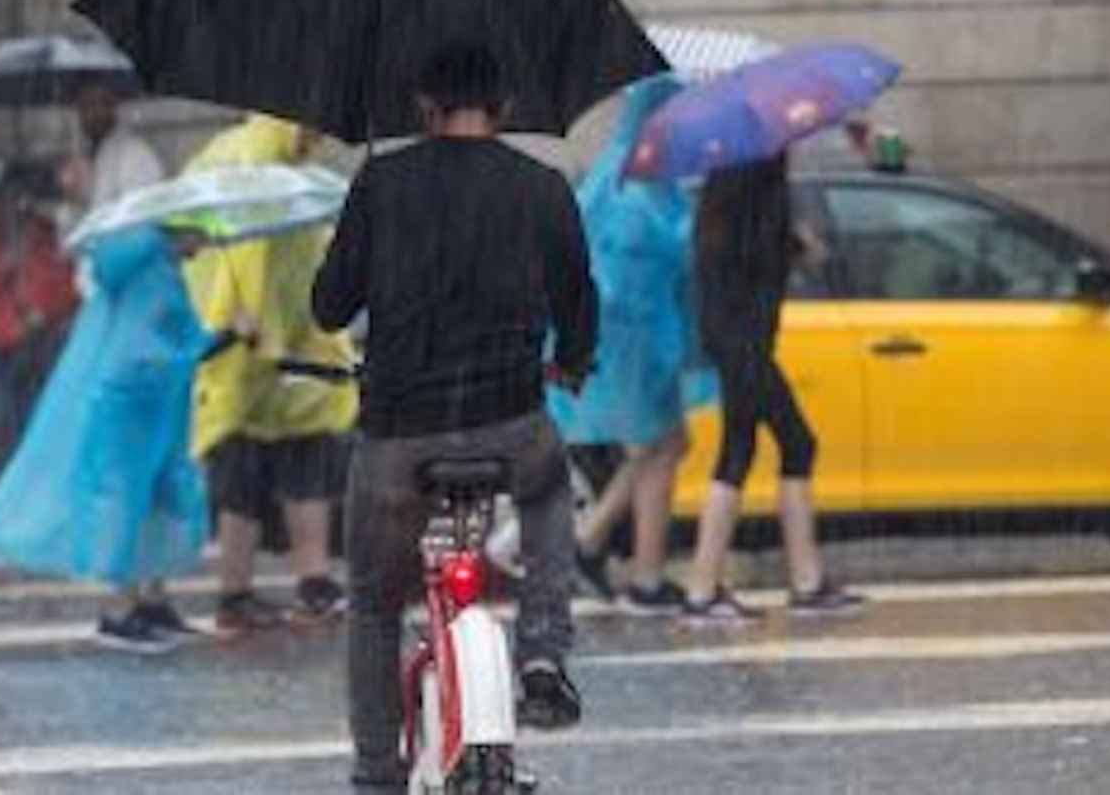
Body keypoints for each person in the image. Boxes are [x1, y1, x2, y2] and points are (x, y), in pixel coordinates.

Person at [311, 43, 596, 789]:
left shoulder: (382, 181)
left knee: (374, 601)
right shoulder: (541, 187)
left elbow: (328, 306)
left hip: (399, 431)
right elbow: (579, 301)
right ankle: (541, 648)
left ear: (425, 108)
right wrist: (572, 358)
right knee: (547, 490)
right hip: (511, 420)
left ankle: (376, 772)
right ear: (502, 109)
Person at [0, 224, 245, 653]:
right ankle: (122, 608)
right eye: (199, 229)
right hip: (135, 409)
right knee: (127, 503)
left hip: (148, 411)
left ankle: (149, 602)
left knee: (150, 501)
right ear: (177, 229)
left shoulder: (149, 272)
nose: (207, 239)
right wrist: (227, 336)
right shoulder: (154, 276)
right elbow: (154, 353)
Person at [538, 73, 715, 616]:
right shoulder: (631, 186)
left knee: (661, 447)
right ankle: (642, 575)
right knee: (658, 448)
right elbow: (636, 261)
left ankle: (594, 546)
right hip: (633, 343)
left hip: (643, 338)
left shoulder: (637, 177)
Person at [182, 114, 358, 637]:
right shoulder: (254, 161)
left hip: (289, 346)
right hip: (252, 349)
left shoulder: (277, 161)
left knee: (295, 464)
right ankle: (245, 592)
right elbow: (249, 257)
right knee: (250, 477)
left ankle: (308, 582)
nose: (319, 137)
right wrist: (262, 330)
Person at [678, 153, 866, 626]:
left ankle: (778, 582)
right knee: (786, 446)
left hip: (735, 343)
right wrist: (796, 244)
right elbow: (761, 266)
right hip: (748, 347)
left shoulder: (726, 204)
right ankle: (727, 589)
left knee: (748, 451)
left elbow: (748, 264)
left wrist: (794, 245)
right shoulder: (760, 205)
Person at [0, 161, 79, 481]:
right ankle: (2, 482)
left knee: (37, 415)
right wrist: (0, 274)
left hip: (39, 340)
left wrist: (44, 311)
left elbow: (68, 287)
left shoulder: (48, 237)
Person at [60, 82, 163, 209]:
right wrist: (74, 197)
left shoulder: (137, 154)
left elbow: (140, 210)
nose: (93, 113)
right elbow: (75, 221)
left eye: (101, 103)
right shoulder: (83, 157)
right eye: (85, 106)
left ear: (114, 107)